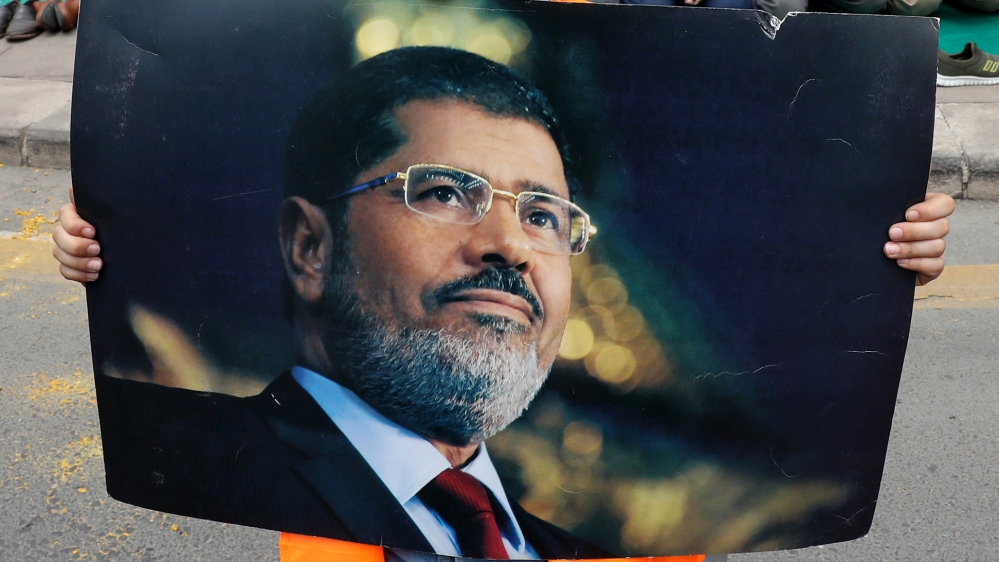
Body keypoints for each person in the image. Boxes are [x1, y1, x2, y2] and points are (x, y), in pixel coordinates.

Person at [52, 46, 955, 559]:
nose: (509, 244)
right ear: (309, 247)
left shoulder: (594, 535)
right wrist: (103, 244)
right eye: (444, 191)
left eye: (544, 214)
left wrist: (884, 255)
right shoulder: (187, 454)